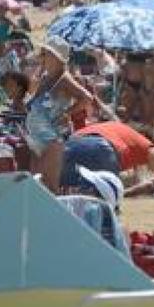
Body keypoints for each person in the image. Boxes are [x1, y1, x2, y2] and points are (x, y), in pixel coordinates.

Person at [25, 37, 115, 192]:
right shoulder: (46, 78)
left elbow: (87, 98)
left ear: (57, 58)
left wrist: (67, 113)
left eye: (47, 54)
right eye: (44, 54)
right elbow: (32, 102)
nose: (43, 57)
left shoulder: (64, 79)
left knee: (50, 184)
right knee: (37, 183)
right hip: (37, 138)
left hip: (53, 139)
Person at [70, 120, 154, 205]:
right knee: (104, 208)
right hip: (102, 149)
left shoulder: (115, 127)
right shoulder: (143, 144)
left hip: (71, 144)